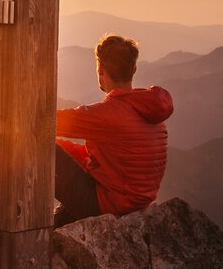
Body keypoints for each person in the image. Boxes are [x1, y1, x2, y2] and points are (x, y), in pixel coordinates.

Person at [54, 33, 174, 228]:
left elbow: (45, 122)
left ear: (100, 69)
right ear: (133, 69)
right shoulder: (152, 112)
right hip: (135, 204)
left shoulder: (108, 114)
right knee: (56, 152)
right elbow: (102, 159)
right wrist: (62, 146)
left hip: (107, 206)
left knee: (41, 149)